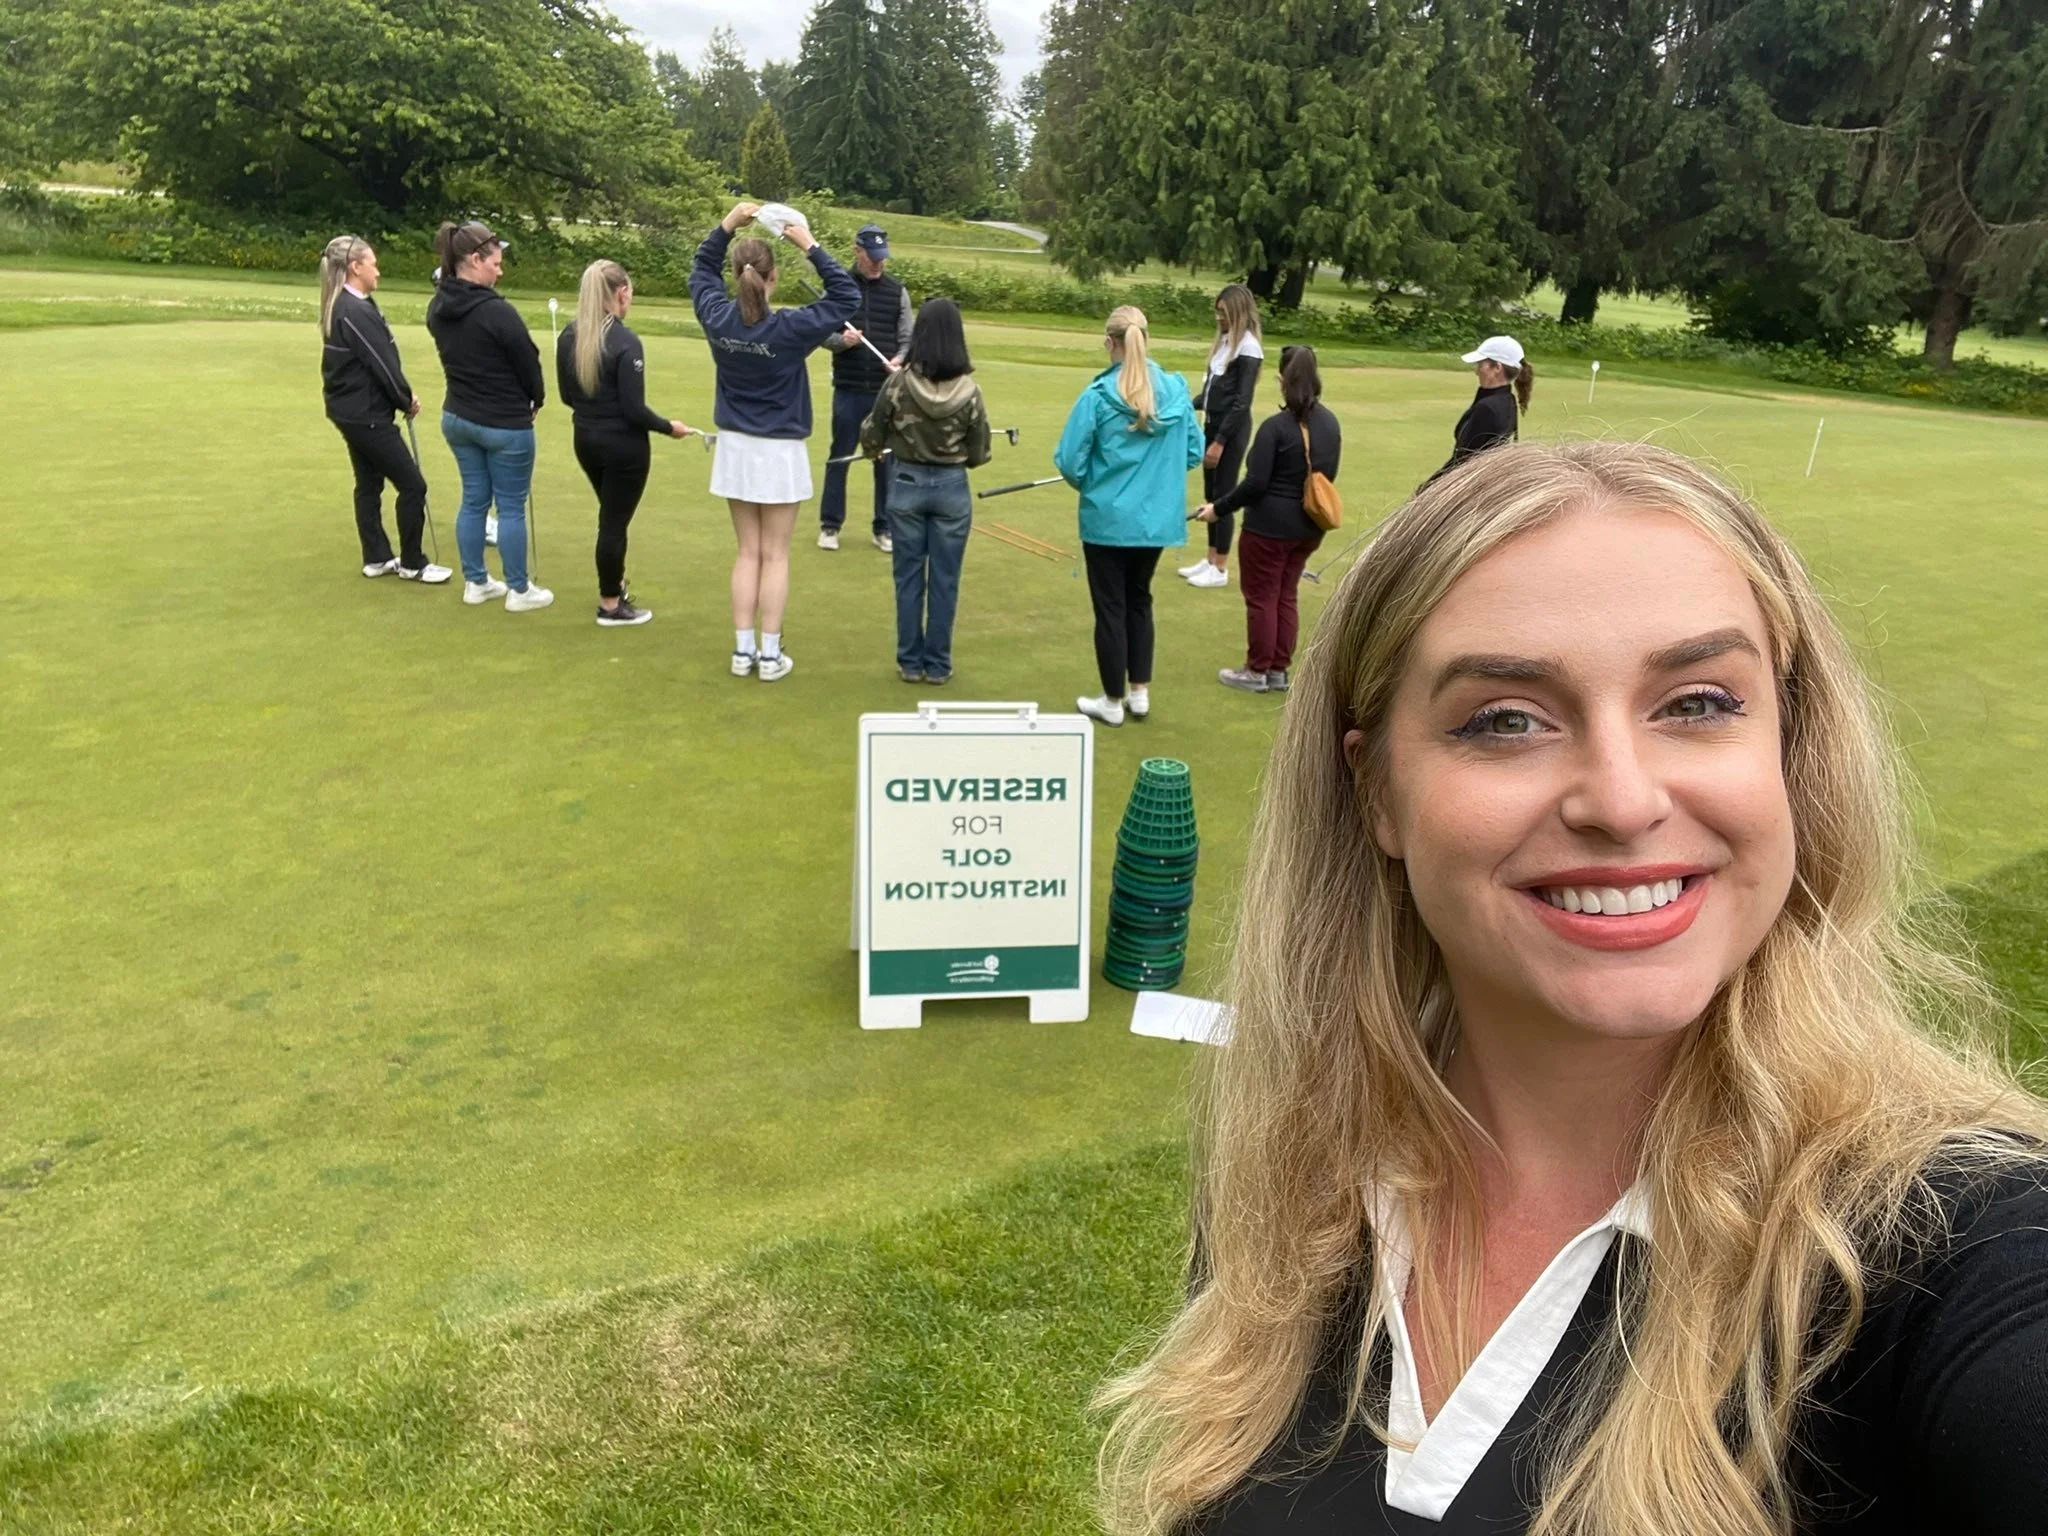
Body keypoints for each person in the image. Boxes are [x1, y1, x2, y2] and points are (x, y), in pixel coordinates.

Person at [1097, 440, 2048, 1536]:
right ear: (1377, 795)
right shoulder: (1298, 1169)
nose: (1620, 798)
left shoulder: (1954, 1253)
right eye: (1504, 718)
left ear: (1790, 746)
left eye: (1695, 702)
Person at [689, 200, 858, 681]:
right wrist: (806, 241)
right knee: (775, 555)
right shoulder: (789, 327)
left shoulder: (718, 316)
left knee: (748, 553)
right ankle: (768, 654)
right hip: (780, 449)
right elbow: (846, 297)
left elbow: (701, 269)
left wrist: (726, 225)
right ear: (772, 278)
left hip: (737, 446)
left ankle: (744, 652)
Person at [1053, 305, 1205, 727]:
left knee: (1112, 607)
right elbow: (1193, 452)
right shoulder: (1173, 389)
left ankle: (1113, 699)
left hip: (1108, 518)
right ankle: (1138, 691)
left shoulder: (1100, 394)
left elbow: (1069, 459)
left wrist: (1094, 482)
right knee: (1138, 599)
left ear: (1110, 342)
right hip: (1155, 520)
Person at [859, 297, 992, 685]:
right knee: (945, 579)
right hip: (952, 488)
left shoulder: (898, 382)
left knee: (908, 577)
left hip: (906, 484)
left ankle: (909, 661)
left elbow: (871, 432)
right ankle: (938, 663)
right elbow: (980, 451)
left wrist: (876, 453)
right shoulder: (970, 391)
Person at [1194, 344, 1340, 694]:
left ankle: (1257, 669)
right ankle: (1277, 669)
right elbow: (1327, 474)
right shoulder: (1330, 422)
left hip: (1268, 528)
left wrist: (1218, 508)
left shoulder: (1275, 428)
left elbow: (1255, 484)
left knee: (1262, 596)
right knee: (1285, 594)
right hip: (1308, 526)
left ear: (1281, 379)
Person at [556, 259, 694, 628]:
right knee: (613, 522)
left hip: (585, 438)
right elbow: (634, 411)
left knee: (611, 516)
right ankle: (611, 604)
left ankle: (614, 587)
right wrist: (669, 427)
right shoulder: (625, 342)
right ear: (621, 293)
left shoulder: (568, 336)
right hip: (622, 446)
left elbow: (568, 396)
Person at [425, 219, 552, 612]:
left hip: (458, 418)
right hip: (503, 424)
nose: (500, 269)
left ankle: (476, 582)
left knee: (474, 500)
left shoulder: (438, 306)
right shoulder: (497, 312)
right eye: (495, 262)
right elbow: (528, 363)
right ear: (474, 260)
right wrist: (536, 399)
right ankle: (518, 590)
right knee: (510, 506)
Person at [318, 236, 450, 585]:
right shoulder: (355, 310)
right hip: (366, 414)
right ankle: (413, 562)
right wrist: (405, 399)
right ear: (355, 267)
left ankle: (376, 557)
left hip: (349, 411)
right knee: (413, 485)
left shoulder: (348, 303)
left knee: (368, 483)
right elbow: (382, 364)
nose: (378, 270)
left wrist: (400, 397)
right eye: (372, 263)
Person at [818, 223, 912, 553]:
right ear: (857, 251)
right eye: (872, 257)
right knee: (840, 455)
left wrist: (899, 361)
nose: (877, 263)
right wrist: (842, 341)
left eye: (881, 257)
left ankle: (883, 527)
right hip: (849, 387)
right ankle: (830, 525)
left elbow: (906, 339)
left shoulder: (897, 291)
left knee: (884, 458)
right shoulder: (839, 289)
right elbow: (821, 334)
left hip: (885, 391)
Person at [1178, 283, 1264, 590]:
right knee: (1211, 494)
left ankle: (1221, 567)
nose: (1218, 318)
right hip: (1212, 425)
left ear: (1237, 312)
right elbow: (1211, 394)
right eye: (1217, 312)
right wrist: (1184, 407)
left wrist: (1219, 442)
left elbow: (1241, 402)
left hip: (1231, 431)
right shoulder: (1225, 343)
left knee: (1223, 497)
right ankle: (1210, 557)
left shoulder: (1248, 347)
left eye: (1223, 313)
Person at [1428, 333, 1533, 483]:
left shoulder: (1488, 407)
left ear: (1497, 367)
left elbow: (1463, 460)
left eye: (1481, 365)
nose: (1477, 371)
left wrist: (1428, 487)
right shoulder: (1506, 400)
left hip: (1473, 485)